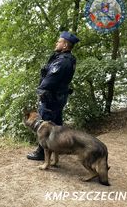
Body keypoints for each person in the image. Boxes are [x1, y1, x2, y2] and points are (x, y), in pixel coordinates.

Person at [27, 31, 80, 161]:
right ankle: (58, 148)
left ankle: (41, 152)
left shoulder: (62, 61)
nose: (56, 43)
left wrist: (40, 90)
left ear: (65, 45)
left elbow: (50, 80)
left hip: (51, 98)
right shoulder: (68, 59)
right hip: (59, 97)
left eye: (59, 41)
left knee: (44, 125)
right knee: (57, 125)